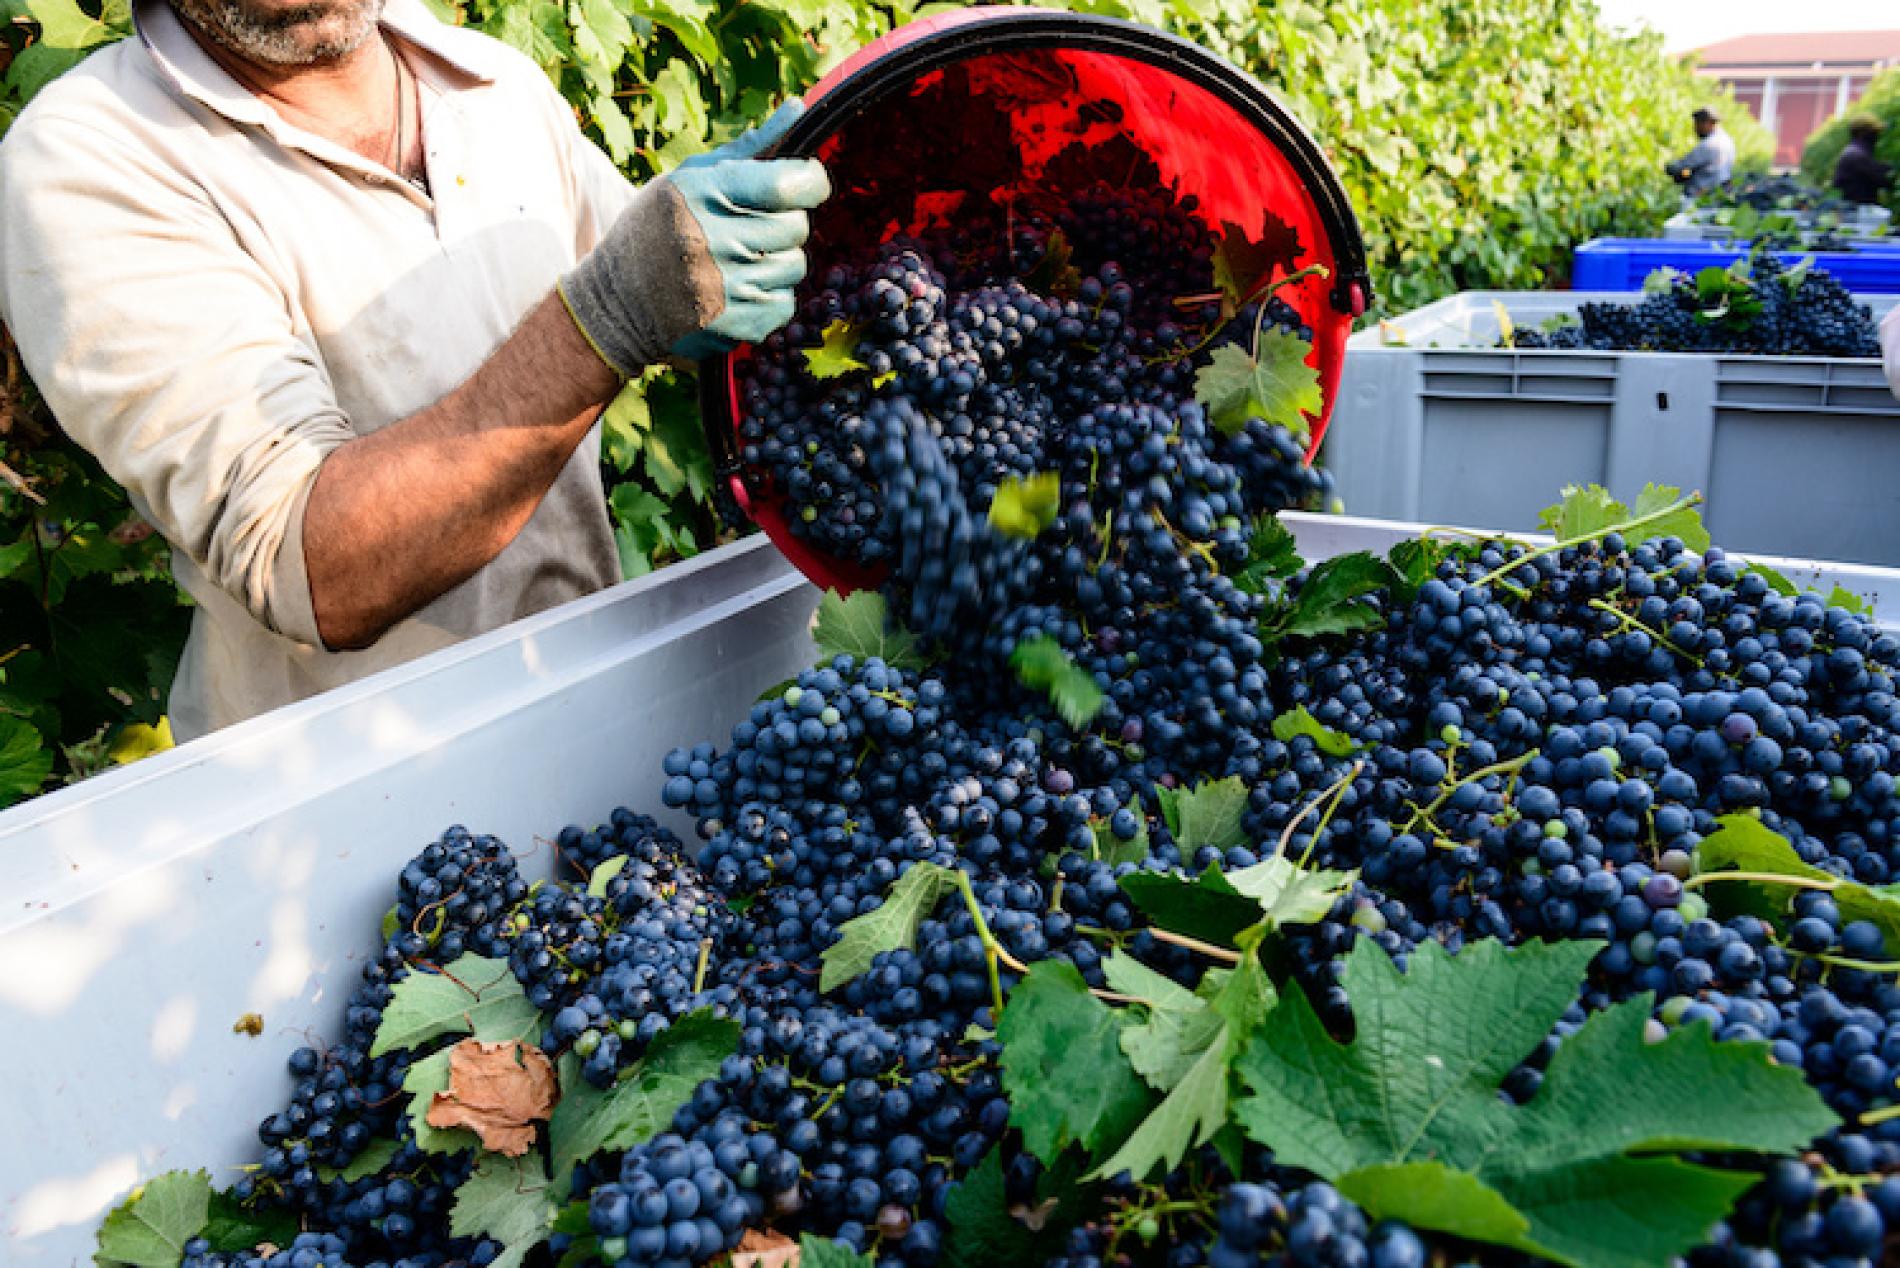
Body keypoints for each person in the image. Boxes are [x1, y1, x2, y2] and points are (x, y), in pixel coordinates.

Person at [0, 0, 829, 740]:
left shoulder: (494, 85)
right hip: (343, 815)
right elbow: (308, 565)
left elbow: (647, 276)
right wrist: (611, 319)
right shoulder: (90, 158)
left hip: (592, 722)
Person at [1667, 107, 1736, 197]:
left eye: (1697, 124)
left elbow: (1681, 166)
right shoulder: (1728, 141)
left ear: (1707, 123)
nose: (1695, 128)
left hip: (1700, 197)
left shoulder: (1709, 144)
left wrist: (1668, 167)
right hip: (1720, 194)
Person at [1833, 117, 1893, 206]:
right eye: (1874, 133)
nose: (1877, 137)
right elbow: (1883, 179)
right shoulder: (1857, 155)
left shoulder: (1853, 151)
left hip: (1852, 208)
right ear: (1862, 134)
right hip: (1857, 212)